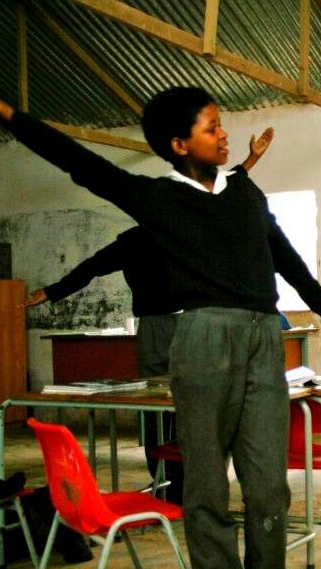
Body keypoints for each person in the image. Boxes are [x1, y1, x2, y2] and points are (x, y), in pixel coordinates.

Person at [0, 42, 321, 569]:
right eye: (212, 129)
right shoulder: (157, 198)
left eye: (221, 125)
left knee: (268, 488)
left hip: (264, 335)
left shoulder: (244, 192)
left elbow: (280, 251)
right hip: (202, 336)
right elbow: (77, 161)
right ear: (181, 145)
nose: (224, 136)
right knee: (207, 484)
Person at [23, 130, 276, 506]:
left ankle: (198, 483)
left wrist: (251, 159)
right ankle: (167, 481)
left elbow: (220, 185)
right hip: (156, 330)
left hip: (196, 325)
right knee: (153, 408)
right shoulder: (133, 242)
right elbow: (91, 267)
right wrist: (52, 291)